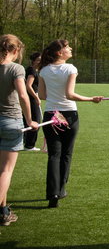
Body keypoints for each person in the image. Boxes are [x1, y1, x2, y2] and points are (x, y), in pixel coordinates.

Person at [38, 39, 102, 208]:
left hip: (51, 115)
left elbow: (42, 95)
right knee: (66, 154)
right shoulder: (70, 68)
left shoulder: (43, 70)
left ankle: (53, 193)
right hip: (68, 115)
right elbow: (69, 94)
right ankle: (61, 189)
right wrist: (91, 99)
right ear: (60, 52)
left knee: (54, 155)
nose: (70, 49)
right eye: (67, 47)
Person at [0, 34, 38, 226]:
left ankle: (4, 212)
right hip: (10, 122)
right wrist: (30, 120)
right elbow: (23, 96)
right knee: (6, 171)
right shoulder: (16, 68)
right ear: (15, 50)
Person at [23, 52, 42, 151]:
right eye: (38, 60)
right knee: (36, 121)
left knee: (28, 120)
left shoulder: (32, 70)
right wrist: (36, 97)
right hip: (31, 99)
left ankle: (27, 143)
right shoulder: (32, 71)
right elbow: (28, 86)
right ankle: (29, 145)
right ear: (33, 61)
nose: (40, 61)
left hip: (30, 98)